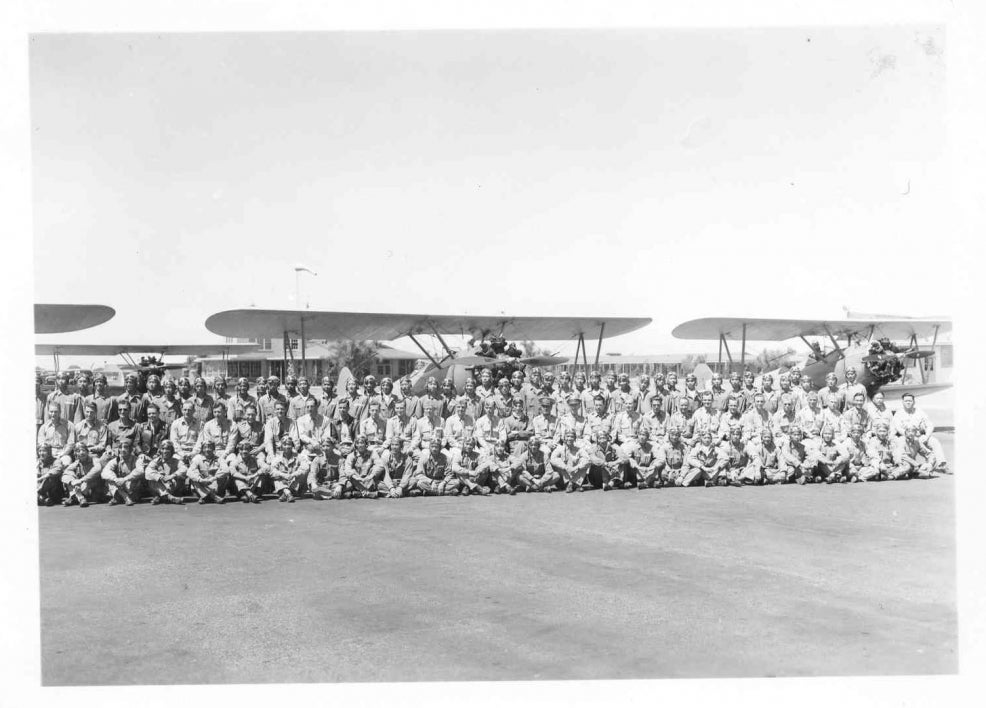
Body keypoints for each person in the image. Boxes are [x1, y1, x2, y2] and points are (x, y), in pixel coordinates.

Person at [892, 393, 949, 472]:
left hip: (920, 437)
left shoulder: (919, 411)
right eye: (906, 401)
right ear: (902, 402)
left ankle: (941, 465)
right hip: (906, 438)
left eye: (910, 401)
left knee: (934, 441)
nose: (908, 402)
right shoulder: (898, 413)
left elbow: (930, 425)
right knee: (900, 443)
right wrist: (911, 437)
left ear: (914, 402)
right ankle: (904, 465)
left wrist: (926, 436)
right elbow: (898, 428)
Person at [99, 438, 147, 506]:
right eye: (120, 447)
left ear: (131, 449)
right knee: (109, 480)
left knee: (136, 480)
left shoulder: (136, 459)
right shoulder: (116, 460)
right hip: (120, 486)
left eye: (125, 447)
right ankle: (125, 497)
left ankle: (119, 497)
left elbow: (140, 471)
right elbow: (104, 472)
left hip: (132, 489)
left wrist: (124, 479)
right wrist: (115, 479)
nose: (123, 450)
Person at [143, 440, 187, 504]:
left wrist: (172, 476)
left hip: (172, 485)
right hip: (160, 485)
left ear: (172, 451)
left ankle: (161, 497)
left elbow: (184, 469)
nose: (165, 451)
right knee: (151, 481)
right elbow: (148, 471)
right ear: (160, 450)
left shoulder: (176, 461)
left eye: (168, 449)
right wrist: (160, 477)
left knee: (180, 478)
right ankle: (169, 497)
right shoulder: (156, 461)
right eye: (163, 449)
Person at [60, 442, 102, 507]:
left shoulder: (95, 460)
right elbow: (66, 472)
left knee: (85, 484)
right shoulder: (77, 463)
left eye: (83, 450)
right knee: (66, 478)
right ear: (76, 454)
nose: (81, 453)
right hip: (80, 486)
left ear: (87, 452)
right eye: (78, 451)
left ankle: (74, 497)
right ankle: (81, 498)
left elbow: (98, 469)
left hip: (93, 487)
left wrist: (81, 480)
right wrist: (74, 481)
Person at [269, 437, 307, 501]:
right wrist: (282, 475)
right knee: (276, 478)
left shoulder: (299, 456)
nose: (287, 447)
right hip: (282, 483)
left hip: (295, 486)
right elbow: (271, 471)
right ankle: (288, 493)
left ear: (292, 446)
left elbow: (305, 468)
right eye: (285, 445)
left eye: (289, 444)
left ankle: (285, 493)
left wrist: (293, 475)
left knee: (302, 475)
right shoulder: (277, 458)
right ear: (281, 446)